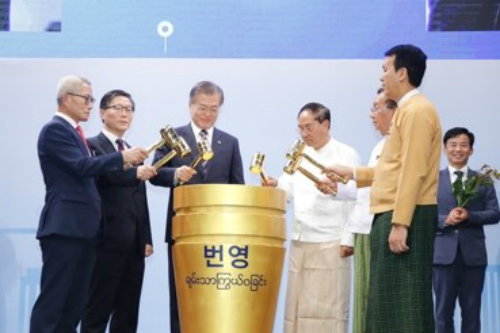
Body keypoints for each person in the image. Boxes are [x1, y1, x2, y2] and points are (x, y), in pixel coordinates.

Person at [326, 44, 442, 333]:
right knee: (387, 303)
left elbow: (413, 171)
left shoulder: (417, 110)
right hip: (393, 213)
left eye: (385, 69)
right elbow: (392, 169)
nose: (381, 77)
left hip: (405, 216)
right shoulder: (408, 110)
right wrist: (352, 173)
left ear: (402, 73)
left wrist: (401, 222)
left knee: (406, 304)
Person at [30, 76, 148, 333]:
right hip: (64, 229)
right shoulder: (55, 130)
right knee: (54, 302)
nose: (90, 105)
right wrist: (122, 158)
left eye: (92, 99)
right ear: (66, 98)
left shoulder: (75, 133)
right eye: (87, 99)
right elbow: (81, 167)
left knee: (73, 306)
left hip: (85, 232)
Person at [150, 81, 244, 333]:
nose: (208, 114)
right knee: (182, 297)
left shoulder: (230, 143)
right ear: (190, 105)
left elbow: (237, 187)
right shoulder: (171, 137)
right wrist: (175, 174)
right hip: (182, 231)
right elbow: (153, 173)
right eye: (202, 108)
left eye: (214, 109)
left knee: (217, 299)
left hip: (220, 237)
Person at [265, 102, 360, 333]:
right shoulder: (299, 153)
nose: (304, 134)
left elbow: (358, 198)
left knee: (331, 309)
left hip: (332, 241)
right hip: (301, 238)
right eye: (300, 128)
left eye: (308, 128)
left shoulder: (346, 154)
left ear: (325, 124)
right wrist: (274, 184)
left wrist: (349, 239)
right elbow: (287, 188)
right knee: (296, 308)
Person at [80, 90, 157, 333]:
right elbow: (101, 177)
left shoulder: (133, 150)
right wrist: (134, 172)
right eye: (118, 107)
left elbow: (139, 196)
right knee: (97, 309)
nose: (125, 113)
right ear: (102, 113)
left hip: (134, 243)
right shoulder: (91, 146)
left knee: (128, 313)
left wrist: (145, 237)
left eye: (129, 109)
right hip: (105, 240)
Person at [433, 127, 500, 333]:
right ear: (445, 148)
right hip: (443, 258)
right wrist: (446, 219)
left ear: (471, 150)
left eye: (463, 145)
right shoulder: (433, 180)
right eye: (453, 145)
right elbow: (424, 216)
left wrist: (469, 216)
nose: (458, 149)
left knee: (472, 314)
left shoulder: (483, 179)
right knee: (442, 314)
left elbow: (495, 213)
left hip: (474, 258)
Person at [347, 89, 396, 333]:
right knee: (364, 295)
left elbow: (386, 181)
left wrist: (350, 174)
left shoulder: (399, 144)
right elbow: (365, 189)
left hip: (383, 226)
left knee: (378, 296)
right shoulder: (380, 145)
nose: (372, 115)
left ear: (393, 111)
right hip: (365, 228)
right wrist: (338, 184)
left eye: (376, 108)